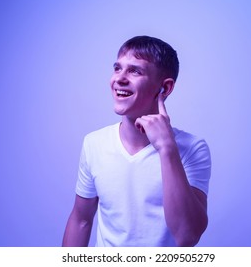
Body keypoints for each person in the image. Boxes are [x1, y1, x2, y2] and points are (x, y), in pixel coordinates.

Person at [62, 36, 211, 247]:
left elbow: (187, 235)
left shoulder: (192, 149)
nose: (120, 79)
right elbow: (81, 220)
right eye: (117, 68)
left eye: (135, 71)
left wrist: (167, 148)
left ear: (165, 88)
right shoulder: (94, 143)